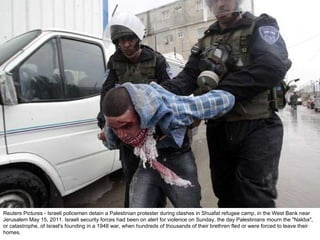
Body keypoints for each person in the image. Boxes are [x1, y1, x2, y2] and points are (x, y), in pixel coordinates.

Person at [161, 0, 292, 207]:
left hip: (258, 126)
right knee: (225, 194)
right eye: (213, 1)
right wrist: (157, 94)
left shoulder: (260, 26)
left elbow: (272, 65)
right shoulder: (207, 40)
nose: (220, 4)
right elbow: (186, 78)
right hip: (219, 128)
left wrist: (224, 91)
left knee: (256, 198)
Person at [102, 82, 235, 207]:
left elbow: (225, 99)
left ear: (140, 113)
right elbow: (110, 141)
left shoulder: (173, 110)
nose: (122, 134)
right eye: (115, 128)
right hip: (147, 162)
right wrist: (105, 134)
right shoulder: (115, 122)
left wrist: (233, 89)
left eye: (127, 126)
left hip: (178, 160)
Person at [96, 12, 173, 208]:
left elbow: (170, 93)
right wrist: (104, 124)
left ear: (138, 39)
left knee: (156, 178)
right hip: (127, 135)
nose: (126, 44)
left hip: (154, 135)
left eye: (129, 38)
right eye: (120, 40)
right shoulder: (114, 63)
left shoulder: (157, 60)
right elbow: (106, 93)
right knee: (132, 179)